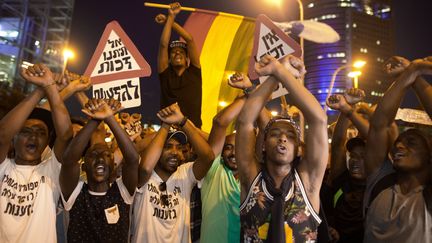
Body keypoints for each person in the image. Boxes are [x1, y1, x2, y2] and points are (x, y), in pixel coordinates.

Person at [237, 55, 328, 242]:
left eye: (290, 136)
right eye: (274, 134)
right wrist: (276, 74)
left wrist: (280, 71)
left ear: (299, 149)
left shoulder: (308, 181)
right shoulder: (251, 178)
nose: (283, 138)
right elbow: (245, 121)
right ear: (262, 145)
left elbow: (318, 120)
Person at [0, 63, 72, 242]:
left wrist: (49, 86)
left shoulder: (51, 170)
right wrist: (40, 90)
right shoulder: (3, 167)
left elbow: (66, 134)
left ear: (47, 142)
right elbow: (2, 134)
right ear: (14, 139)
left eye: (41, 133)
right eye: (26, 131)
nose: (34, 137)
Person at [363, 56, 432, 242]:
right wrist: (410, 72)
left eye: (412, 142)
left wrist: (415, 74)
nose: (400, 145)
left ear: (429, 155)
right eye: (398, 142)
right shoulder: (380, 181)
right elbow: (380, 125)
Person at [131, 103, 214, 243]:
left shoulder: (185, 173)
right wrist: (165, 125)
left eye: (179, 148)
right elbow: (145, 167)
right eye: (168, 147)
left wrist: (183, 121)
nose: (175, 153)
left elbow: (208, 157)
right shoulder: (143, 175)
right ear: (156, 150)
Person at [60, 98, 139, 243]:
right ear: (83, 166)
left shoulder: (122, 193)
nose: (101, 158)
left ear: (114, 165)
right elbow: (68, 161)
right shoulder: (74, 193)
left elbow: (133, 160)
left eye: (107, 155)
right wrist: (95, 120)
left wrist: (109, 118)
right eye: (93, 155)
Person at [199, 72, 254, 243]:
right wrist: (246, 94)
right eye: (228, 148)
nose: (233, 153)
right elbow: (220, 122)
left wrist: (250, 90)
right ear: (221, 153)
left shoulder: (254, 177)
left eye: (239, 148)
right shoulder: (214, 170)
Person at [325, 89, 369, 243]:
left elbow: (375, 138)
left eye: (362, 157)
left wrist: (349, 110)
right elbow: (337, 144)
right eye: (353, 156)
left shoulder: (378, 185)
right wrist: (346, 106)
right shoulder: (342, 180)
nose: (355, 160)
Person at [155, 2, 202, 128]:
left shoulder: (195, 72)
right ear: (169, 59)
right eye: (174, 52)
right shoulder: (165, 74)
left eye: (181, 52)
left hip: (193, 129)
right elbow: (164, 45)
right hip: (169, 130)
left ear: (187, 59)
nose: (177, 53)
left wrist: (169, 22)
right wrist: (170, 17)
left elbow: (190, 40)